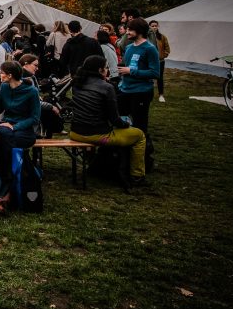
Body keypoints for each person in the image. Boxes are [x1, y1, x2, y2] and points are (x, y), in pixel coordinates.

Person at [69, 55, 148, 185]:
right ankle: (137, 176)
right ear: (100, 70)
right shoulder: (106, 87)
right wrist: (126, 124)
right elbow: (115, 119)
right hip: (96, 135)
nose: (107, 70)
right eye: (106, 68)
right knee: (139, 135)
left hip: (75, 132)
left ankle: (94, 164)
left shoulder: (77, 83)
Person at [117, 17, 159, 171]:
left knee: (140, 127)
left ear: (139, 31)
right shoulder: (129, 48)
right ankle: (122, 159)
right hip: (125, 90)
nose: (127, 32)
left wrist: (131, 71)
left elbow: (155, 72)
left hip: (141, 92)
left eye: (130, 29)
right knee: (121, 122)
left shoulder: (149, 49)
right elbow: (127, 66)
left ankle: (143, 162)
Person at [0, 60, 41, 186]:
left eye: (2, 73)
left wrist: (14, 126)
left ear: (10, 75)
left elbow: (35, 118)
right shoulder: (5, 87)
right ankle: (15, 172)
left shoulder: (31, 91)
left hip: (24, 130)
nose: (0, 75)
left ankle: (5, 175)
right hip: (6, 129)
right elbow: (0, 109)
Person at [18, 54, 64, 137]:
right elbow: (33, 103)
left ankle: (50, 132)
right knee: (50, 108)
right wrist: (51, 107)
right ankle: (51, 131)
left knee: (49, 102)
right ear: (26, 64)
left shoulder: (30, 76)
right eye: (35, 65)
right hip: (27, 115)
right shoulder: (24, 79)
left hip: (30, 112)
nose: (37, 68)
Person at [149, 20, 171, 102]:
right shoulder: (146, 37)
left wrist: (162, 56)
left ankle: (161, 95)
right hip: (149, 61)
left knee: (159, 78)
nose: (154, 27)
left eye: (156, 26)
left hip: (160, 61)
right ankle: (149, 94)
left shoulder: (162, 37)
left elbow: (167, 48)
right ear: (149, 27)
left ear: (158, 27)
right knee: (148, 78)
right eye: (152, 26)